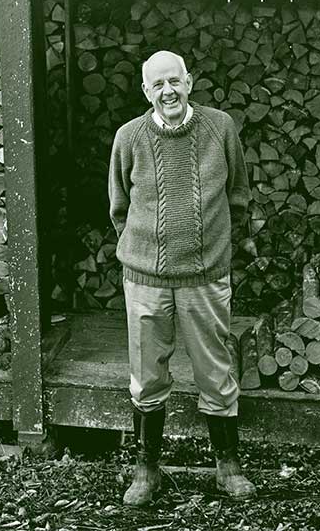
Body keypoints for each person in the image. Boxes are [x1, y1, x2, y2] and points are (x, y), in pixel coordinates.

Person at [108, 49, 256, 506]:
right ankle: (146, 468)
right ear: (146, 91)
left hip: (206, 277)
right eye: (158, 85)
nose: (168, 91)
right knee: (146, 376)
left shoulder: (220, 128)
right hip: (146, 280)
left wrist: (219, 251)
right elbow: (119, 207)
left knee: (215, 371)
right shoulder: (129, 137)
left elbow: (239, 195)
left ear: (190, 82)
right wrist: (145, 254)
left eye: (175, 81)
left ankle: (227, 466)